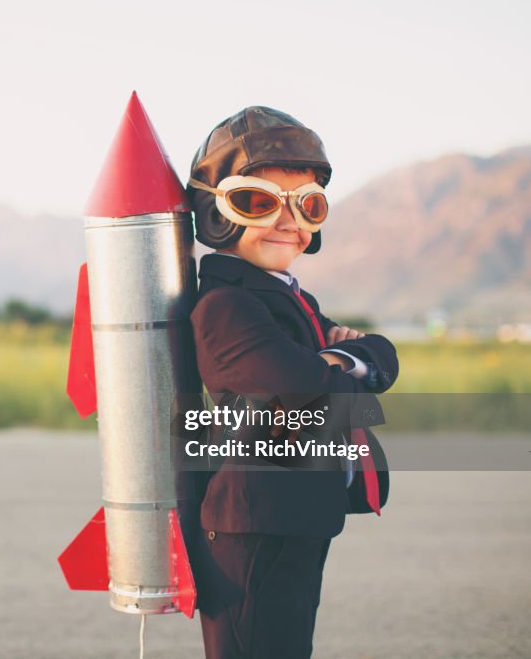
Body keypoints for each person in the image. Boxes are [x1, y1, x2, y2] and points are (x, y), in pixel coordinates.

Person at [184, 106, 400, 658]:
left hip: (296, 513)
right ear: (217, 211)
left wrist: (335, 361)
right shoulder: (227, 304)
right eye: (258, 202)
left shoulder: (286, 298)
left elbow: (382, 359)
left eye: (306, 205)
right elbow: (306, 390)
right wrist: (336, 362)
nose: (289, 222)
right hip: (255, 525)